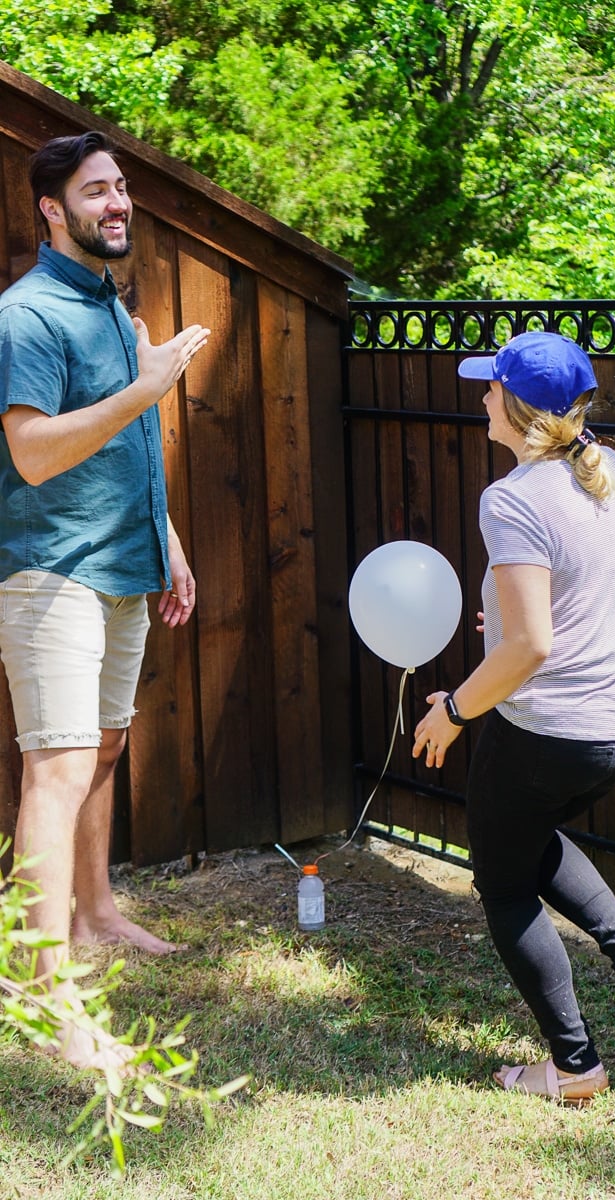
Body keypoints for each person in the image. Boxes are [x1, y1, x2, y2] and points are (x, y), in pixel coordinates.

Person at [412, 331, 615, 1105]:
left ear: (519, 408)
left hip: (555, 731)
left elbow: (530, 645)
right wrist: (525, 626)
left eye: (491, 389)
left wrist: (455, 710)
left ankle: (573, 1065)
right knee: (528, 837)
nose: (482, 398)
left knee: (501, 879)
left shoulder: (512, 497)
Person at [0, 130, 210, 1070]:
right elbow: (35, 453)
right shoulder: (27, 317)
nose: (117, 203)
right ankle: (40, 989)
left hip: (128, 564)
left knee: (108, 745)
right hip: (51, 569)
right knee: (56, 765)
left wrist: (170, 544)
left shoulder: (116, 312)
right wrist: (147, 385)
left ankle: (94, 917)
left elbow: (132, 450)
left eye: (121, 188)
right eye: (96, 192)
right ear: (52, 209)